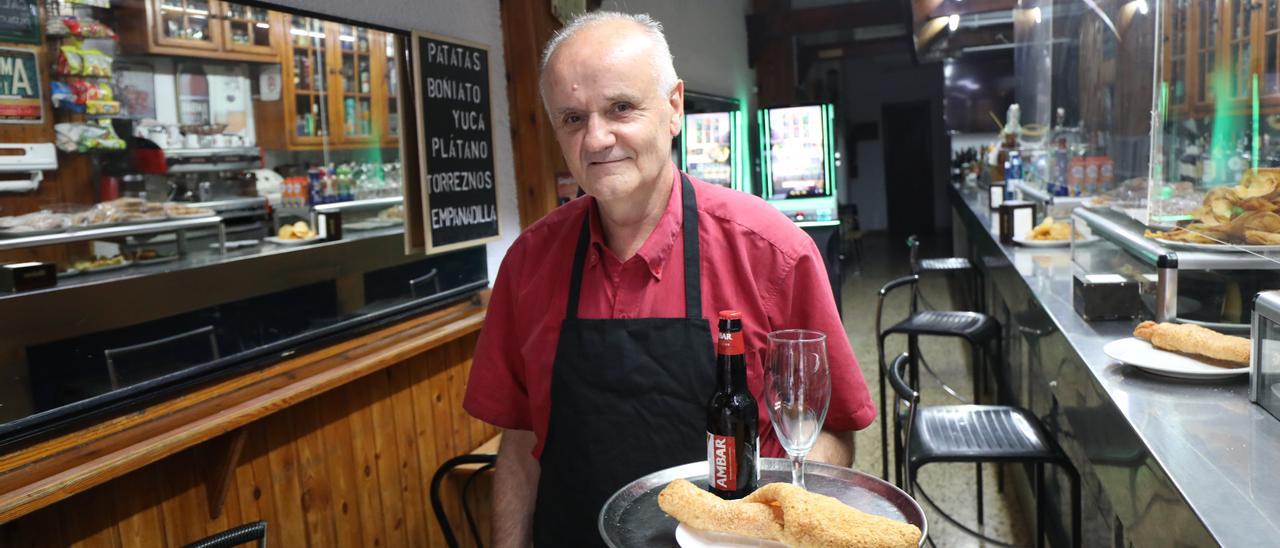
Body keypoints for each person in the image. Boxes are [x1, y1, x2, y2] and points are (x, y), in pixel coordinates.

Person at [462, 11, 876, 547]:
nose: (596, 138)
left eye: (620, 108)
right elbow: (518, 447)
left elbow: (832, 429)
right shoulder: (527, 265)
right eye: (571, 118)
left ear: (674, 107)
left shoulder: (771, 253)